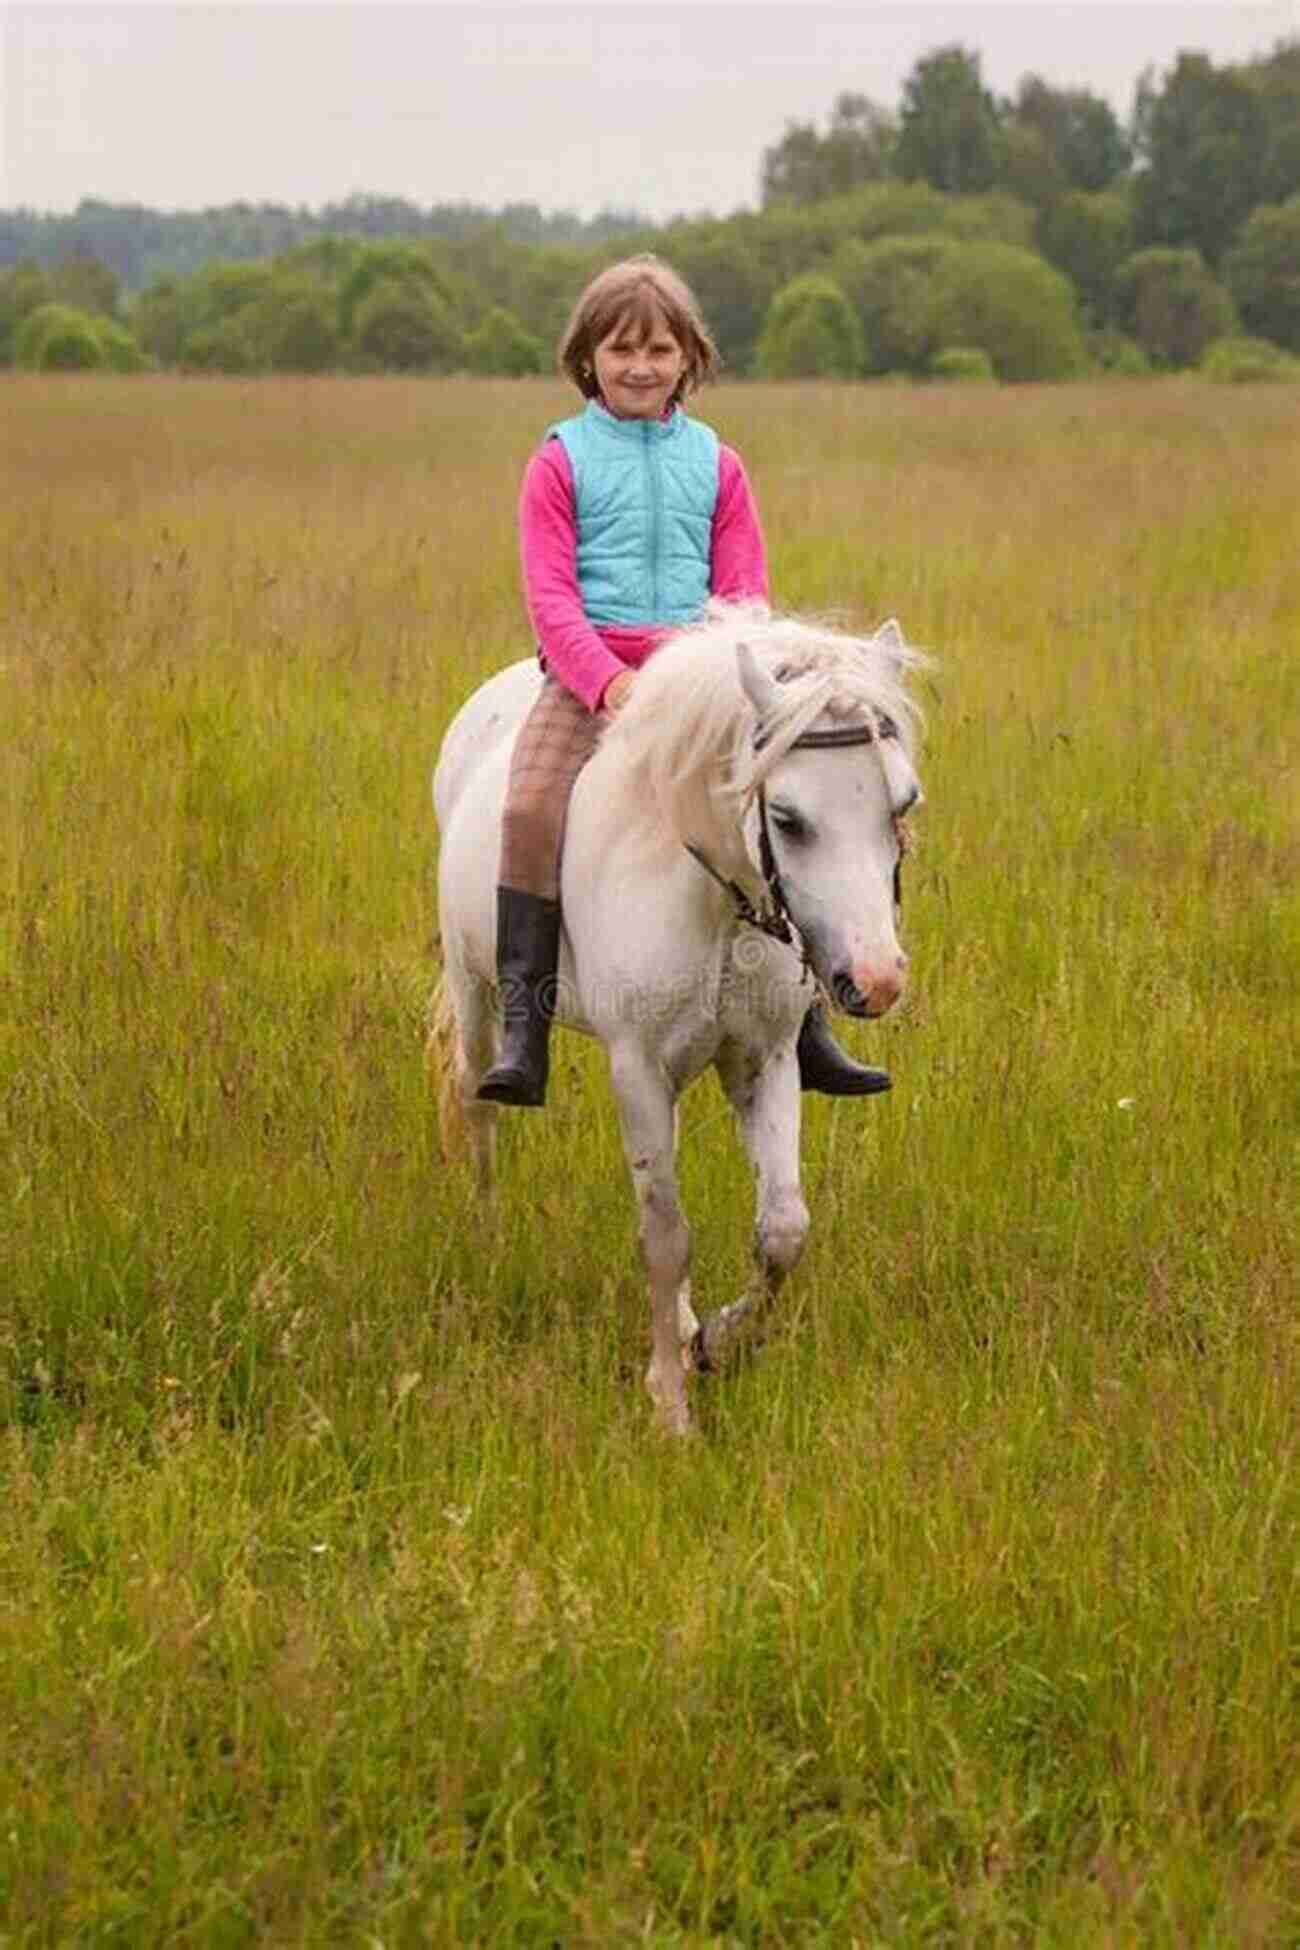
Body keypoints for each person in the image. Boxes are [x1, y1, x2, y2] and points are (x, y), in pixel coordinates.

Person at [478, 253, 890, 1108]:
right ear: (586, 357)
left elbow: (745, 597)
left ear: (688, 359)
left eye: (659, 350)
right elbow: (550, 596)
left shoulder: (718, 463)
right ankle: (526, 1018)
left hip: (700, 686)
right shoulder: (558, 459)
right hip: (591, 681)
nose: (640, 366)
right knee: (528, 805)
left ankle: (806, 1018)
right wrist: (606, 683)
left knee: (776, 818)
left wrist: (714, 677)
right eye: (621, 349)